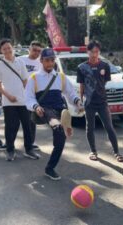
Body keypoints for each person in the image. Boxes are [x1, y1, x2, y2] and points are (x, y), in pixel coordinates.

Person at [26, 48, 83, 180]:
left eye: (52, 60)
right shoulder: (34, 78)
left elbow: (70, 93)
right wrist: (35, 106)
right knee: (57, 126)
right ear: (41, 61)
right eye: (47, 60)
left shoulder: (60, 77)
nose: (50, 63)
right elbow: (28, 98)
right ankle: (62, 125)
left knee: (60, 140)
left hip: (60, 109)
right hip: (44, 109)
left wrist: (78, 102)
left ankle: (49, 168)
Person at [77, 41, 123, 162]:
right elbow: (82, 86)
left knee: (109, 127)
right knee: (90, 127)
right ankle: (93, 151)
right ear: (88, 52)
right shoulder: (81, 67)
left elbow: (104, 82)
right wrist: (81, 101)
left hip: (102, 102)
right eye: (92, 52)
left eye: (97, 52)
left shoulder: (105, 66)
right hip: (89, 103)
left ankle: (117, 152)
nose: (94, 54)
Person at [0, 38, 40, 161]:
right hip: (8, 102)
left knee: (27, 126)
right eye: (4, 49)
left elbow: (25, 81)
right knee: (11, 127)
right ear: (1, 51)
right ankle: (10, 150)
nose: (7, 50)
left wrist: (29, 96)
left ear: (12, 48)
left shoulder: (20, 63)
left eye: (9, 47)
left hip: (23, 101)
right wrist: (8, 96)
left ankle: (29, 149)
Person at [19, 41, 43, 151]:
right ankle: (11, 144)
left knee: (32, 121)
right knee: (19, 121)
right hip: (20, 96)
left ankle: (30, 143)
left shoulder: (41, 62)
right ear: (29, 49)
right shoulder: (21, 60)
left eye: (39, 51)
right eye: (34, 50)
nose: (36, 53)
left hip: (34, 96)